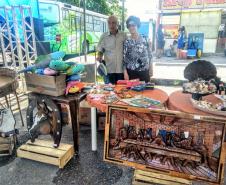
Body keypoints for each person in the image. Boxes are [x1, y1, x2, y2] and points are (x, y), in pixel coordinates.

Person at [96, 15, 127, 84]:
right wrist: (99, 55)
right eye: (109, 23)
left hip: (121, 69)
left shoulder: (123, 35)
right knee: (110, 91)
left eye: (114, 23)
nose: (111, 25)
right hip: (109, 69)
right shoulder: (104, 36)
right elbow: (100, 49)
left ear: (118, 23)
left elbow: (128, 50)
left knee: (122, 90)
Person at [123, 16, 152, 83]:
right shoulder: (127, 41)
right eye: (129, 26)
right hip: (131, 72)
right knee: (132, 92)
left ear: (137, 26)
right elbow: (124, 59)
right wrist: (125, 73)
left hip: (144, 71)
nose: (131, 27)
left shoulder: (145, 39)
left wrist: (151, 68)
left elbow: (150, 55)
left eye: (133, 25)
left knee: (145, 92)